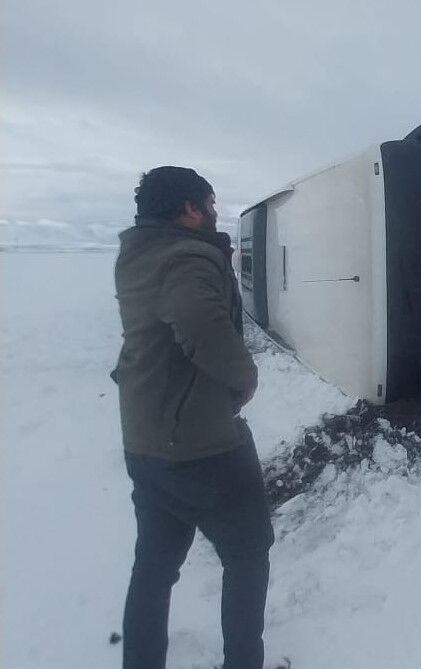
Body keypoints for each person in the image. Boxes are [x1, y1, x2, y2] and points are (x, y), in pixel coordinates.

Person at [112, 166, 274, 669]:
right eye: (210, 201)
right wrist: (243, 379)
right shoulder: (186, 257)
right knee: (248, 554)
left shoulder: (140, 253)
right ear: (189, 208)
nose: (215, 209)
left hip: (146, 441)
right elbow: (200, 323)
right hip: (202, 446)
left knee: (155, 567)